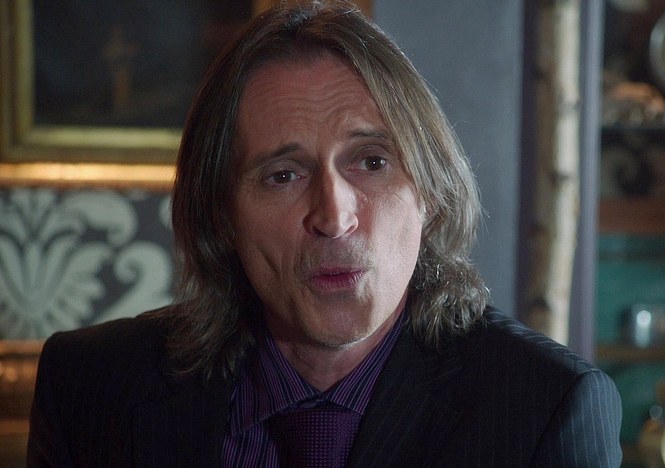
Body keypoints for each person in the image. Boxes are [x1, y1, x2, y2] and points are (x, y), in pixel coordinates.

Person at [27, 1, 622, 466]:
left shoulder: (545, 408)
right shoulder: (91, 386)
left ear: (431, 191)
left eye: (371, 162)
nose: (334, 218)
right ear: (221, 215)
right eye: (283, 175)